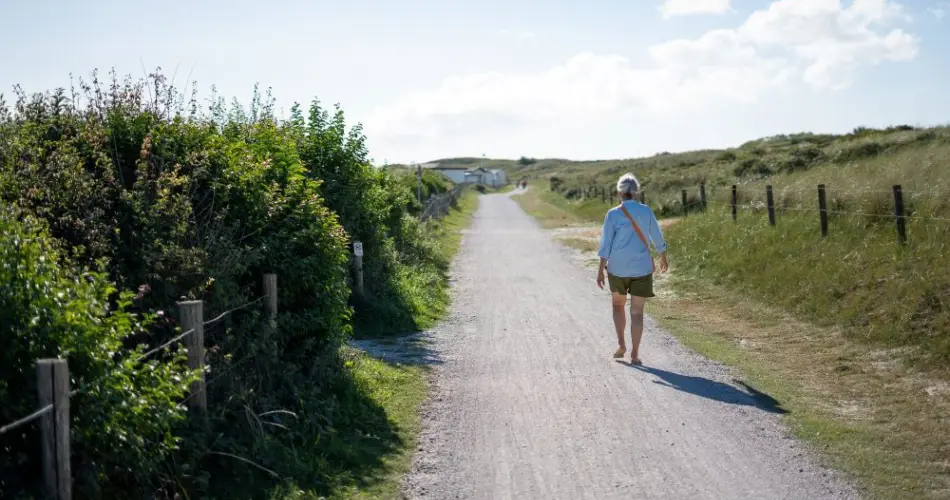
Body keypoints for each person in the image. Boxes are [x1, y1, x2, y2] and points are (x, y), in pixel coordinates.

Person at [596, 173, 668, 365]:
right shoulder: (646, 211)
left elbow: (606, 244)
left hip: (617, 268)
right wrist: (662, 255)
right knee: (637, 312)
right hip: (641, 269)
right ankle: (635, 354)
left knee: (617, 306)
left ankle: (621, 345)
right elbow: (656, 235)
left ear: (619, 192)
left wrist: (600, 269)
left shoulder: (613, 214)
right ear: (635, 192)